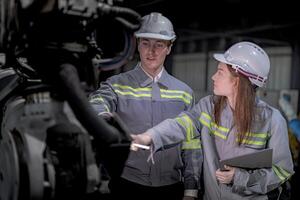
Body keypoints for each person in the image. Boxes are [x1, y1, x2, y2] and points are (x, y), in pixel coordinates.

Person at [132, 41, 295, 200]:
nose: (213, 76)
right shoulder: (208, 107)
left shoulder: (272, 120)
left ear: (237, 80)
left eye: (220, 72)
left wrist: (239, 178)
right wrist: (151, 136)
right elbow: (182, 124)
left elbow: (282, 171)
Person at [89, 12, 202, 200]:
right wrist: (104, 120)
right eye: (146, 43)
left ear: (169, 47)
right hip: (127, 185)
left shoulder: (184, 92)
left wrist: (191, 188)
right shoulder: (116, 85)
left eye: (159, 44)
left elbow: (192, 144)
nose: (152, 51)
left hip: (172, 187)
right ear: (137, 45)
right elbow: (96, 106)